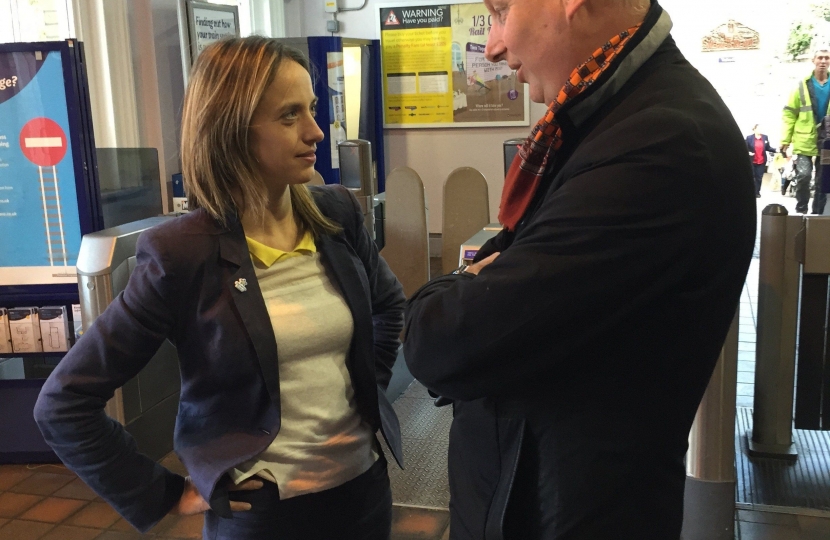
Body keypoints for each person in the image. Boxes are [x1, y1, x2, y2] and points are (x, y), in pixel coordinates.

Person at [403, 1, 755, 539]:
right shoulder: (611, 120)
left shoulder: (661, 142)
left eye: (500, 11)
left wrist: (453, 289)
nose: (493, 45)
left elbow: (446, 340)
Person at [34, 38, 405, 540]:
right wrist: (164, 493)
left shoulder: (335, 213)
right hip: (264, 517)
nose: (316, 131)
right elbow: (64, 402)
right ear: (232, 130)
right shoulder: (182, 253)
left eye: (312, 109)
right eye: (290, 115)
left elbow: (387, 306)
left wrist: (368, 391)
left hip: (363, 495)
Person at [781, 48, 830, 214]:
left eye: (827, 58)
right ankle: (801, 209)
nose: (823, 61)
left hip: (827, 141)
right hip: (804, 139)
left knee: (823, 180)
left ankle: (817, 213)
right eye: (820, 58)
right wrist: (785, 140)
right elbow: (789, 113)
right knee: (804, 175)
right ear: (813, 60)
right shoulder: (802, 86)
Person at [746, 124, 776, 197]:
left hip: (761, 161)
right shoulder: (749, 138)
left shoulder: (765, 137)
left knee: (759, 178)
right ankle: (750, 192)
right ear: (755, 129)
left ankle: (757, 192)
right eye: (759, 128)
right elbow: (745, 147)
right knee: (751, 177)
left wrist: (776, 150)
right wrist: (748, 152)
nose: (760, 130)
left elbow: (768, 148)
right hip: (752, 161)